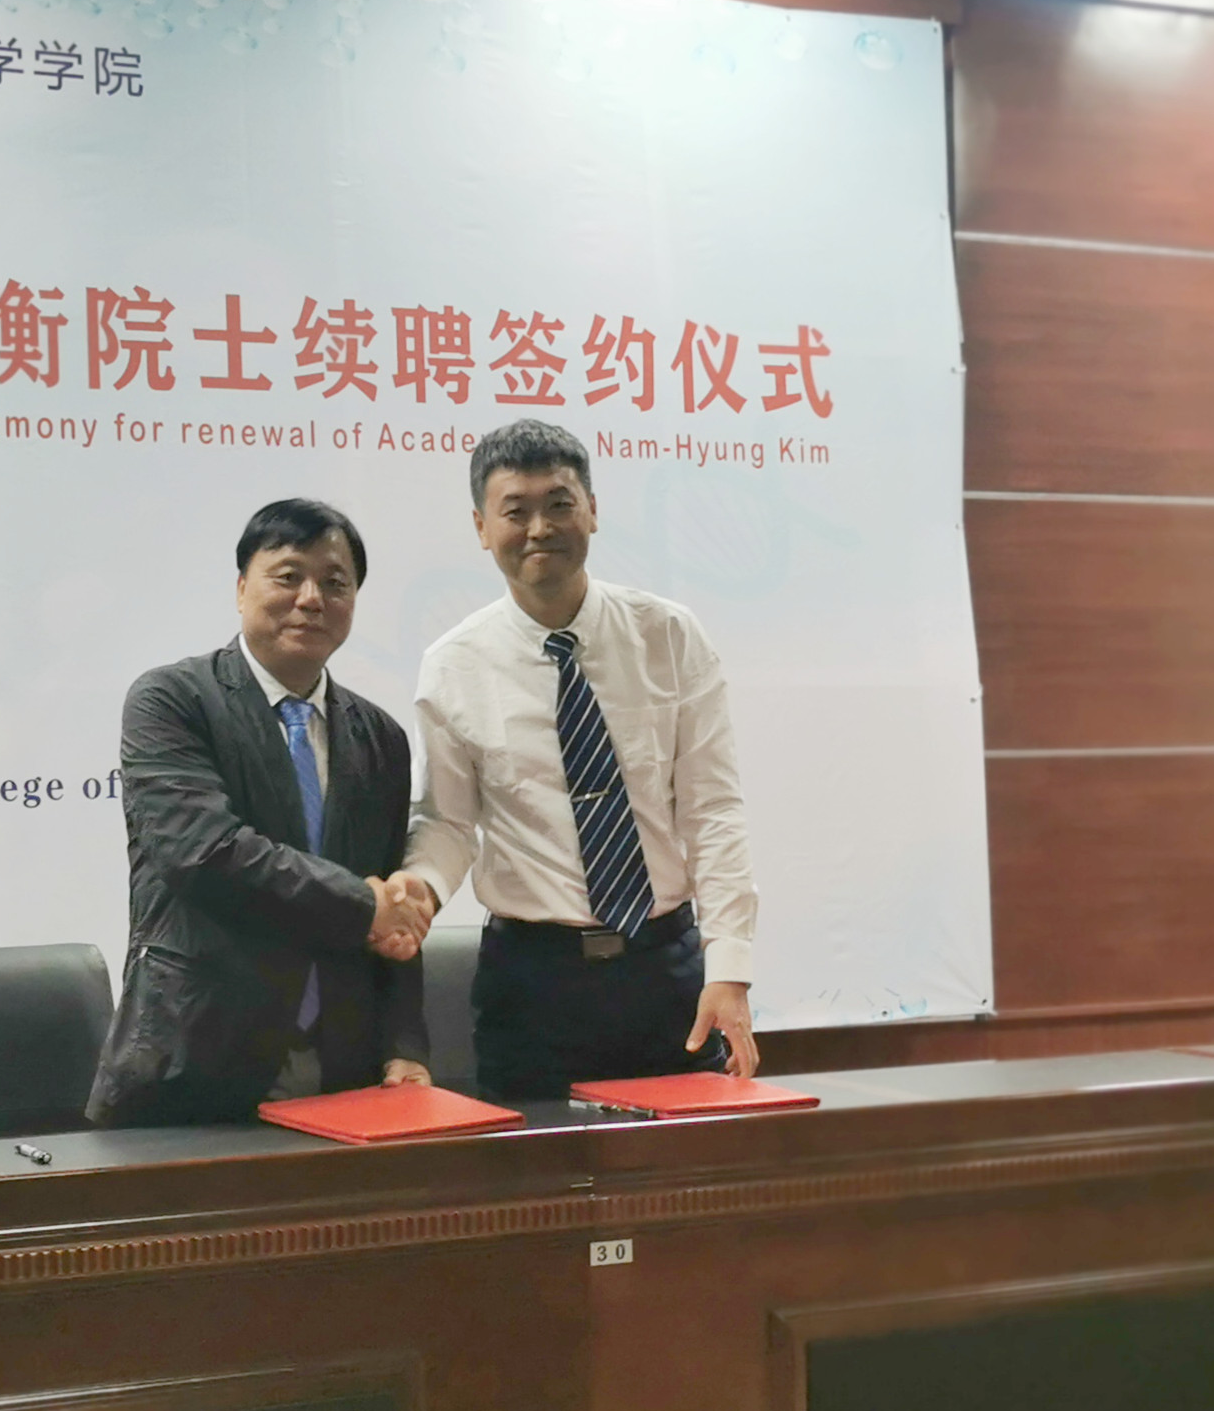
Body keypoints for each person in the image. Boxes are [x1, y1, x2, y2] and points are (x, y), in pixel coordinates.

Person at [395, 419, 760, 1100]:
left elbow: (713, 810)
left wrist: (730, 968)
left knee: (686, 1160)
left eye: (559, 504)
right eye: (515, 511)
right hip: (531, 984)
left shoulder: (669, 636)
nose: (539, 528)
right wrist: (420, 886)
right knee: (537, 1166)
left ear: (592, 509)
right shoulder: (453, 665)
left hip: (663, 969)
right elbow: (448, 822)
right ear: (481, 528)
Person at [87, 498, 434, 1127]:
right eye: (288, 576)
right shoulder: (172, 700)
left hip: (345, 1073)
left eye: (335, 583)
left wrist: (404, 1045)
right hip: (195, 1061)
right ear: (242, 587)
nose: (311, 598)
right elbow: (204, 852)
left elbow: (394, 904)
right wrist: (364, 904)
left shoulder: (381, 736)